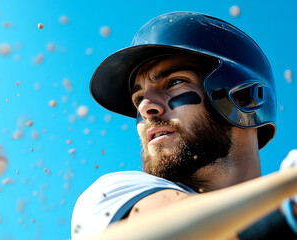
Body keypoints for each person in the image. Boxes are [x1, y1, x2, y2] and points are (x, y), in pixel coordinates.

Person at [71, 11, 297, 239]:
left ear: (242, 98)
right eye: (138, 99)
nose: (145, 108)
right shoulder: (111, 196)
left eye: (174, 82)